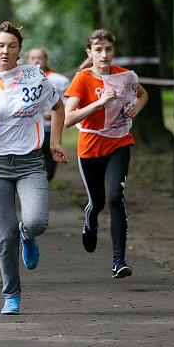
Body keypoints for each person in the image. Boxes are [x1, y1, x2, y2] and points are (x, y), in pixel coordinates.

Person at [0, 21, 68, 314]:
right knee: (4, 233)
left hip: (30, 162)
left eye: (11, 46)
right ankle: (11, 295)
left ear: (19, 49)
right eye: (0, 45)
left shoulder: (34, 76)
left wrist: (55, 142)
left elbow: (58, 106)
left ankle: (28, 235)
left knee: (36, 222)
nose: (5, 51)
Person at [63, 29, 149, 279]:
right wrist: (98, 103)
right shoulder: (82, 79)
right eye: (98, 50)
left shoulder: (125, 76)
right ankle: (90, 221)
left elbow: (143, 94)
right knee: (98, 202)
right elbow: (68, 119)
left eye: (108, 49)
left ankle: (119, 260)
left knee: (115, 198)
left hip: (119, 143)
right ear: (89, 52)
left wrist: (136, 108)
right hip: (90, 147)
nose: (104, 55)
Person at [26, 47, 71, 182]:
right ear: (28, 60)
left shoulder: (59, 80)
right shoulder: (22, 80)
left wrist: (53, 113)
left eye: (40, 58)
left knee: (49, 168)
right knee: (33, 166)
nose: (36, 61)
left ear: (45, 60)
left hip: (51, 130)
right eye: (33, 58)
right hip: (30, 131)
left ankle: (43, 183)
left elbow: (68, 103)